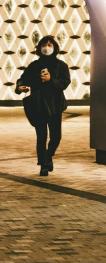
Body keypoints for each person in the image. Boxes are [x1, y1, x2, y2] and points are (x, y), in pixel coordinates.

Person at [15, 35, 70, 176]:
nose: (46, 47)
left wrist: (51, 80)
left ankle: (48, 156)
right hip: (38, 104)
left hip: (55, 105)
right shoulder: (34, 65)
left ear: (55, 48)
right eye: (44, 45)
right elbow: (22, 79)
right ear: (39, 48)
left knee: (56, 137)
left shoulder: (61, 66)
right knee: (41, 136)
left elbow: (65, 83)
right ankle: (43, 165)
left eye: (50, 45)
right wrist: (20, 87)